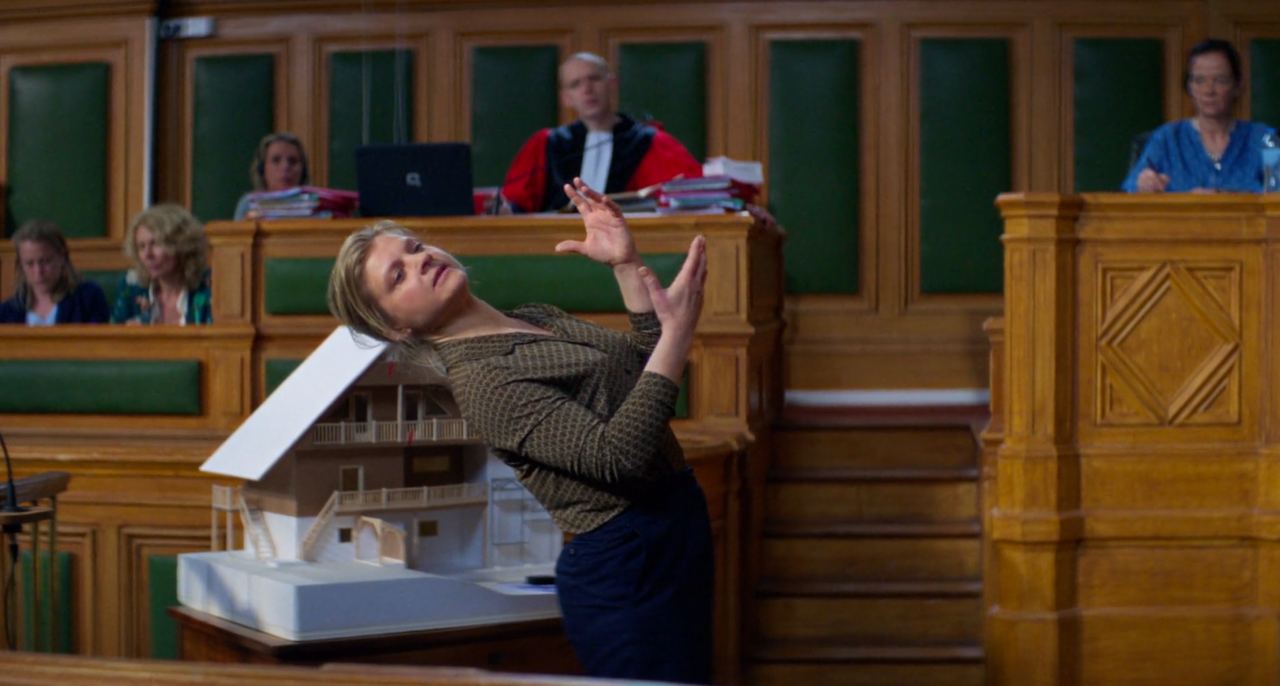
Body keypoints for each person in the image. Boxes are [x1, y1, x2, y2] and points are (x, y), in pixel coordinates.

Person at [327, 178, 713, 683]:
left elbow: (644, 370)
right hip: (624, 562)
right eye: (398, 276)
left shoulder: (531, 316)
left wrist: (624, 264)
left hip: (674, 524)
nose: (421, 261)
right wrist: (678, 335)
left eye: (416, 248)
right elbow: (620, 457)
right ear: (395, 327)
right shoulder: (484, 383)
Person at [499, 52, 703, 212]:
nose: (587, 89)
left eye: (594, 79)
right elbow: (517, 204)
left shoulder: (648, 141)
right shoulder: (546, 143)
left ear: (612, 84)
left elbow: (685, 195)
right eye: (576, 84)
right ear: (566, 98)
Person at [1123, 39, 1276, 193]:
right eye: (1199, 80)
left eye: (1220, 80)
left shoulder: (1266, 139)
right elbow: (1129, 192)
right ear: (1189, 87)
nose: (1209, 90)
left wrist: (1221, 196)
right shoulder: (1166, 139)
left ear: (1237, 86)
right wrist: (1143, 185)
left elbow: (1277, 196)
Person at [112, 204, 212, 325]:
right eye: (141, 246)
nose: (148, 254)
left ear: (182, 245)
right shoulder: (130, 290)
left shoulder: (209, 291)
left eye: (156, 244)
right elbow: (109, 340)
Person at [0, 220, 109, 325]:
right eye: (29, 264)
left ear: (62, 257)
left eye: (45, 262)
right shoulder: (6, 312)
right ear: (21, 265)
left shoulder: (88, 298)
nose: (38, 271)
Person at [234, 132, 309, 219]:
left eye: (292, 161)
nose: (285, 167)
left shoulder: (317, 203)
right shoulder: (249, 204)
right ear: (262, 169)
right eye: (276, 160)